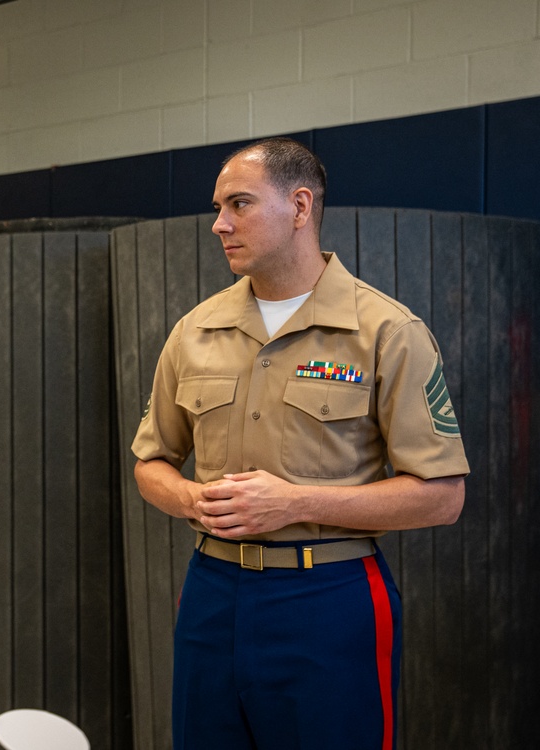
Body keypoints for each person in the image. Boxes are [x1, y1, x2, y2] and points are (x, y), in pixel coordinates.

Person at [132, 137, 468, 750]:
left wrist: (295, 503)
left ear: (300, 206)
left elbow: (441, 496)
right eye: (218, 207)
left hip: (330, 600)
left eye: (238, 204)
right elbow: (151, 462)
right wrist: (186, 498)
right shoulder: (194, 331)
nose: (219, 224)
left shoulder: (387, 331)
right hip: (213, 594)